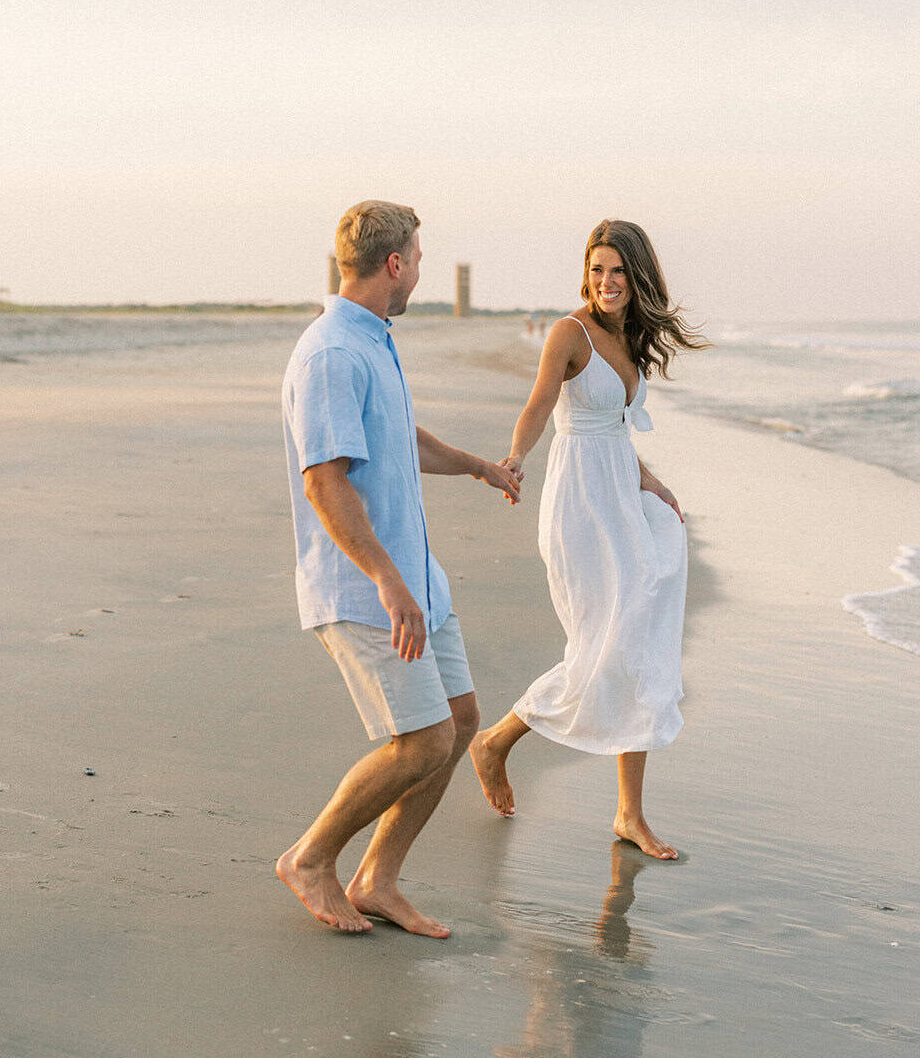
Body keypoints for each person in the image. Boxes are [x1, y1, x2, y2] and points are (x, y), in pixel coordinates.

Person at [276, 201, 520, 936]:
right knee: (422, 741)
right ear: (395, 265)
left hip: (416, 580)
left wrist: (479, 467)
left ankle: (377, 879)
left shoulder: (372, 339)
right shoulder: (331, 354)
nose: (419, 269)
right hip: (366, 587)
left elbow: (398, 439)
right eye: (417, 257)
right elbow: (325, 480)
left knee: (459, 719)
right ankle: (311, 858)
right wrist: (386, 580)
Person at [470, 219, 707, 858]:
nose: (606, 281)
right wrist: (515, 457)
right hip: (579, 510)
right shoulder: (568, 334)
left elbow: (616, 433)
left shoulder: (630, 338)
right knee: (601, 647)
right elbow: (540, 405)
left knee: (639, 646)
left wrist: (650, 483)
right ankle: (494, 741)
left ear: (638, 277)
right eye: (598, 269)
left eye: (619, 271)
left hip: (622, 499)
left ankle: (629, 814)